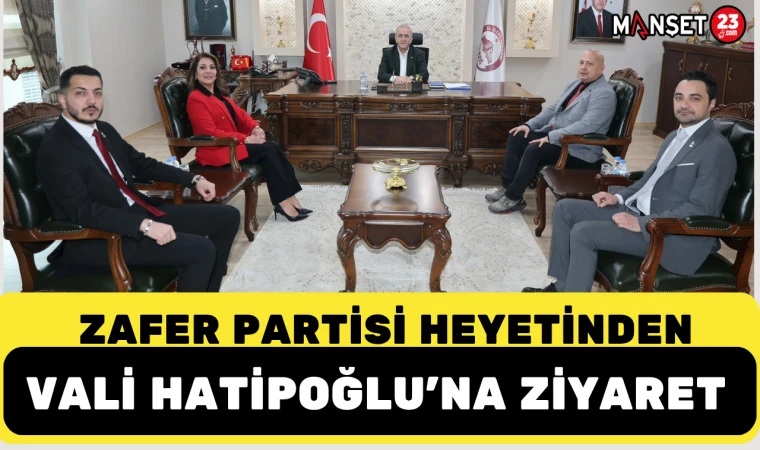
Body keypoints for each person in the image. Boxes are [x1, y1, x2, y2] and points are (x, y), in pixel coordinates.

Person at [523, 71, 737, 292]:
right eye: (679, 97)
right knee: (565, 209)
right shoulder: (674, 136)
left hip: (669, 234)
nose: (684, 104)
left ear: (712, 103)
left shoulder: (716, 149)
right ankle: (561, 288)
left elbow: (700, 209)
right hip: (641, 212)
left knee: (583, 233)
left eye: (694, 98)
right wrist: (618, 197)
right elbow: (649, 179)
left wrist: (642, 223)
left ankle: (572, 305)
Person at [36, 65, 240, 292]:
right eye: (81, 93)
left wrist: (193, 179)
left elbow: (142, 164)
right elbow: (83, 211)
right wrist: (144, 226)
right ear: (63, 100)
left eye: (97, 93)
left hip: (137, 212)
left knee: (228, 216)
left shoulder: (103, 130)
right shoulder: (56, 148)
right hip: (104, 238)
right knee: (202, 250)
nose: (91, 100)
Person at [486, 49, 616, 214]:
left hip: (578, 148)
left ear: (601, 68)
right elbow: (553, 109)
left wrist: (550, 137)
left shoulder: (604, 94)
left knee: (534, 149)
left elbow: (587, 125)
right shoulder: (575, 84)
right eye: (581, 62)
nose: (583, 67)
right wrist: (529, 125)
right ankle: (507, 187)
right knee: (517, 135)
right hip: (559, 137)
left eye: (589, 64)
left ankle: (514, 197)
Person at [186, 53, 310, 221]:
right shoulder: (195, 99)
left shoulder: (219, 95)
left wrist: (255, 127)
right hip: (217, 150)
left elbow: (241, 114)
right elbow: (210, 133)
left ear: (217, 72)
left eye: (212, 67)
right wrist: (245, 139)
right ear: (195, 74)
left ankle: (289, 198)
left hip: (231, 145)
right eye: (202, 68)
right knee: (268, 150)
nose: (208, 71)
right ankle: (283, 202)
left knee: (272, 146)